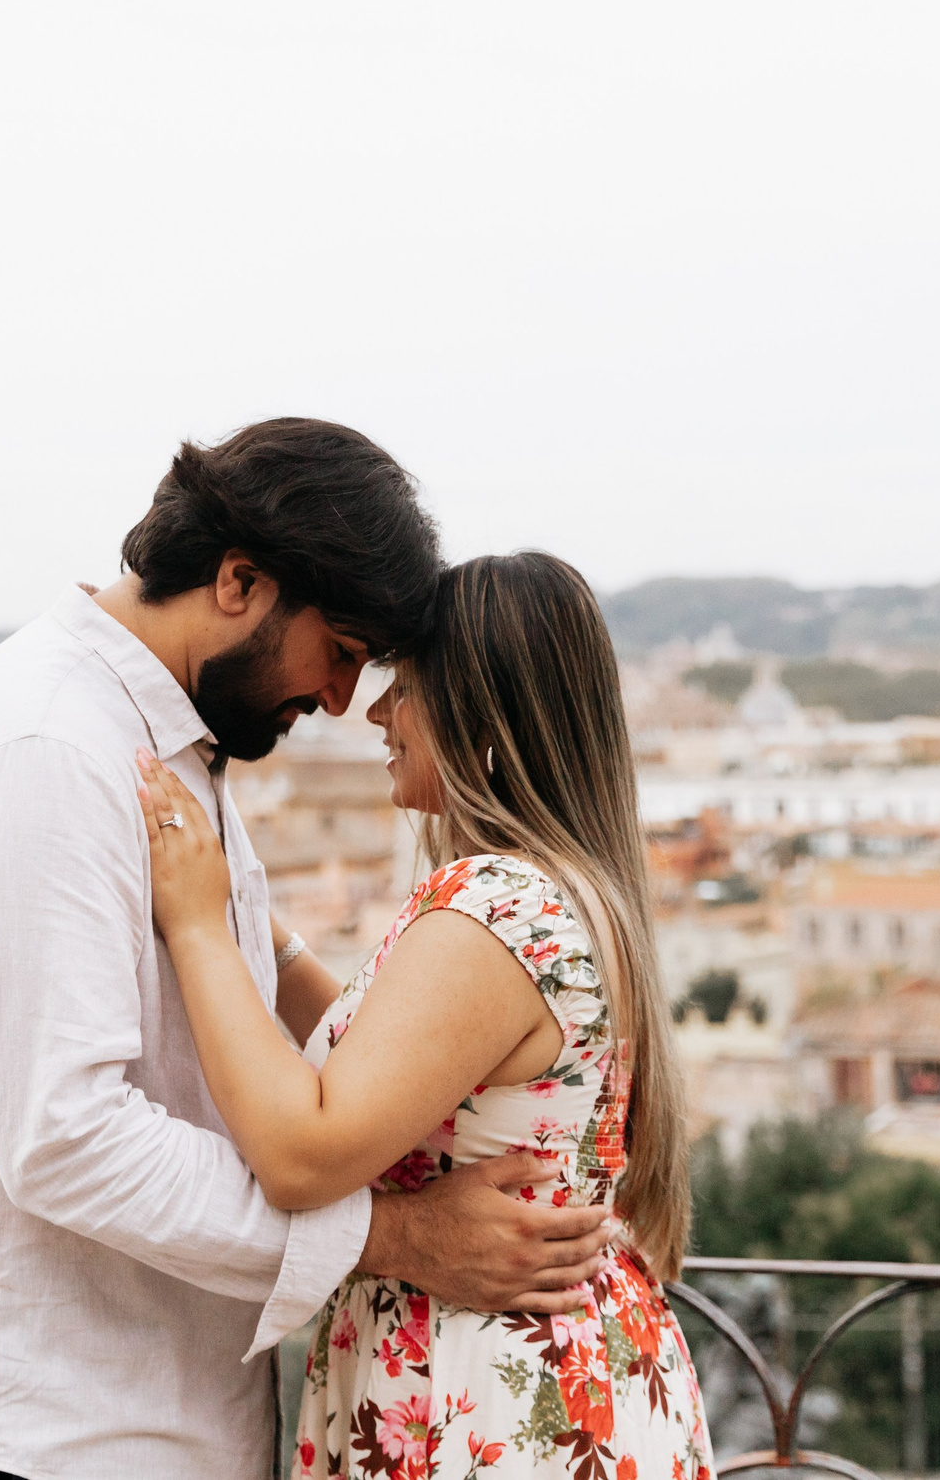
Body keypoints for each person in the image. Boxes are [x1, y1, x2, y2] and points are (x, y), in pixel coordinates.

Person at [0, 422, 621, 1480]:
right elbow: (66, 1136)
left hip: (128, 1424)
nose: (342, 701)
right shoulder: (41, 750)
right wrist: (395, 1237)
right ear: (240, 581)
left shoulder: (163, 744)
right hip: (35, 1437)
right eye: (337, 652)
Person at [136, 551, 715, 1480]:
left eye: (404, 686)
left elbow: (301, 1152)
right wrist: (261, 930)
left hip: (480, 1395)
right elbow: (402, 1078)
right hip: (555, 1384)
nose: (375, 712)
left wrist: (201, 927)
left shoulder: (496, 906)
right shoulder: (564, 893)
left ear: (482, 722)